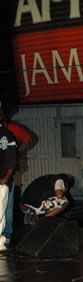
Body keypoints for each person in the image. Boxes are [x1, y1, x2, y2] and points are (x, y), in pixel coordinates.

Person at [0, 104, 35, 244]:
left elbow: (29, 139)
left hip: (7, 170)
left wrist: (17, 152)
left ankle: (6, 234)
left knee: (7, 203)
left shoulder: (11, 129)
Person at [0, 122, 18, 251]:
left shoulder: (6, 135)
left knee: (4, 210)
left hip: (3, 181)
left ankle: (5, 236)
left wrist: (5, 179)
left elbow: (12, 161)